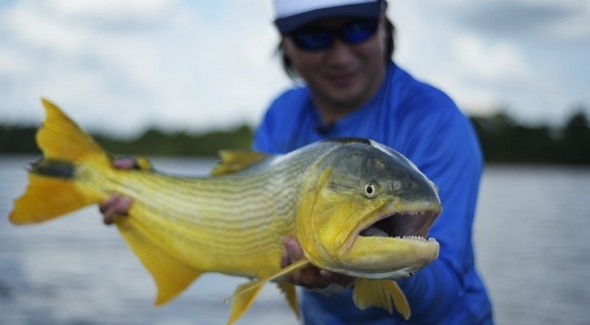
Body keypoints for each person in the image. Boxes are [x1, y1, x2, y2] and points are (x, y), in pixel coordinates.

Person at [100, 0, 494, 323]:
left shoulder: (438, 122)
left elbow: (445, 296)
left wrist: (353, 275)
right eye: (314, 36)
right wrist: (145, 188)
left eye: (356, 27)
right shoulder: (281, 115)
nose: (339, 55)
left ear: (383, 22)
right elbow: (233, 209)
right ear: (285, 43)